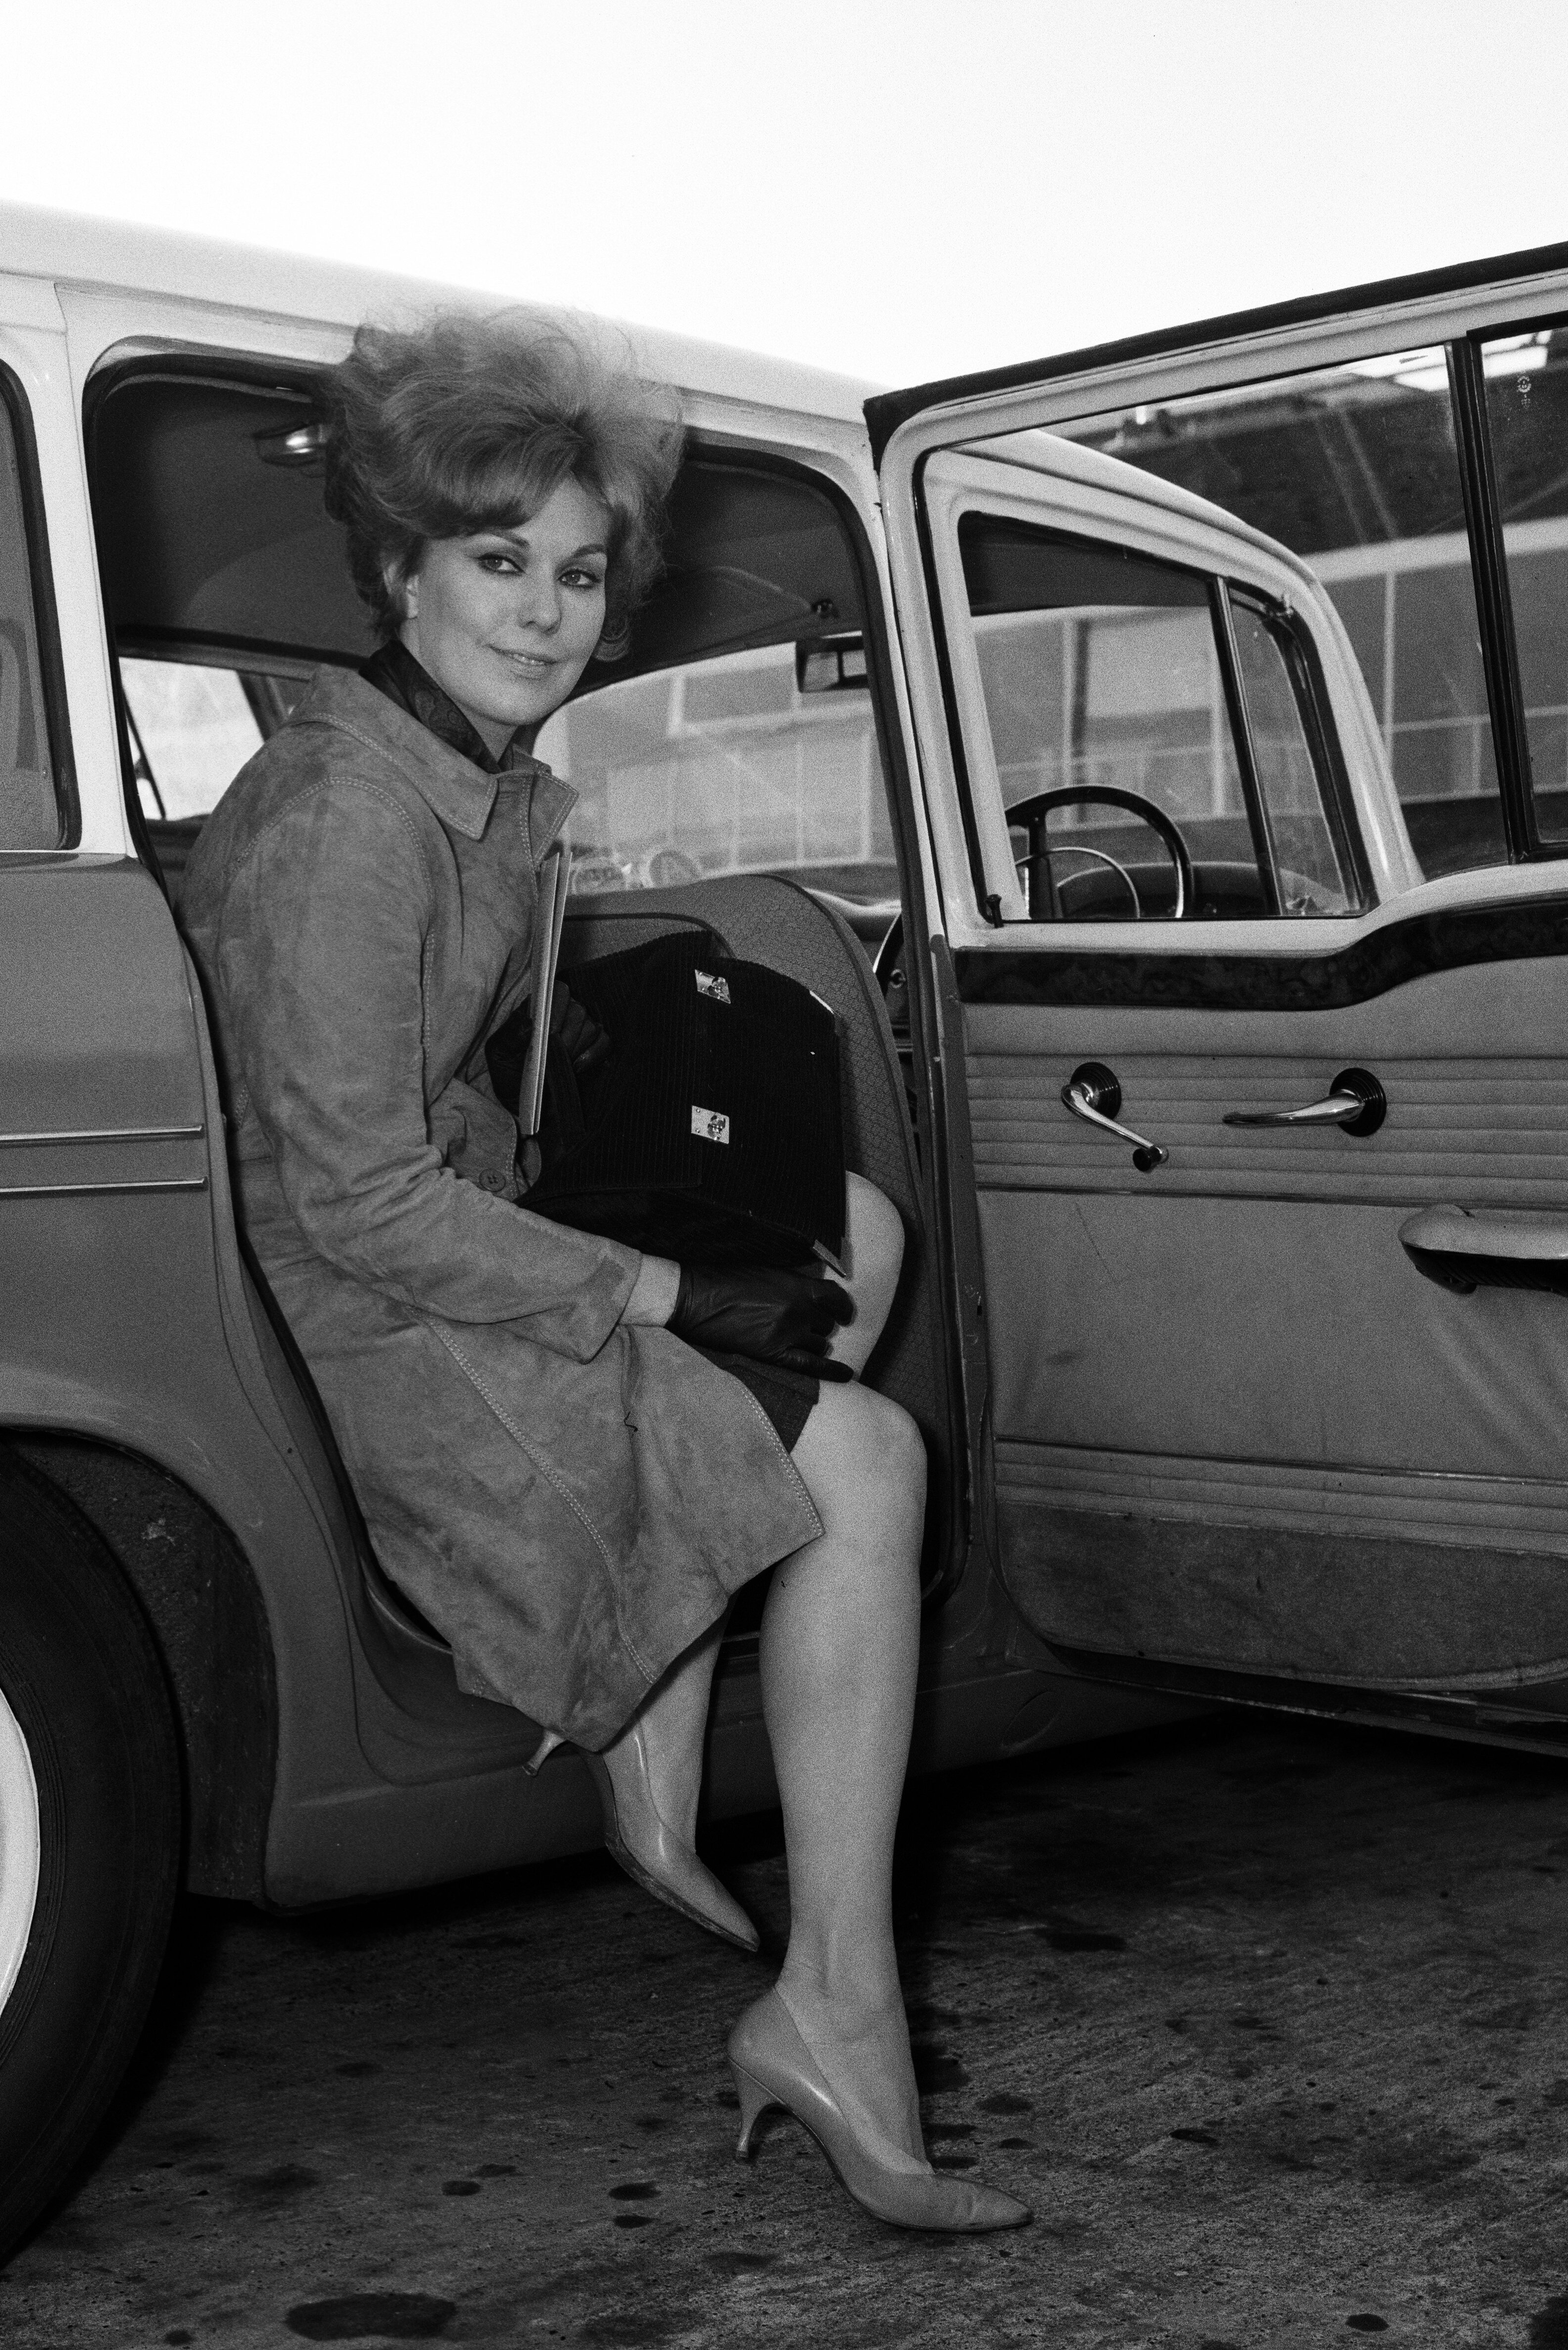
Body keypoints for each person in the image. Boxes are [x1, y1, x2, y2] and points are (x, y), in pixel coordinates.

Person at [178, 311, 1026, 2234]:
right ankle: (836, 2003)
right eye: (494, 561)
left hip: (427, 1243)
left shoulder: (462, 785)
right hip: (371, 1314)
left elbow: (455, 1101)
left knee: (854, 1237)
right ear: (395, 565)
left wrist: (672, 1210)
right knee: (869, 1462)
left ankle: (660, 1679)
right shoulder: (348, 815)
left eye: (574, 571)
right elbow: (356, 1201)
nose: (545, 611)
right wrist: (651, 1285)